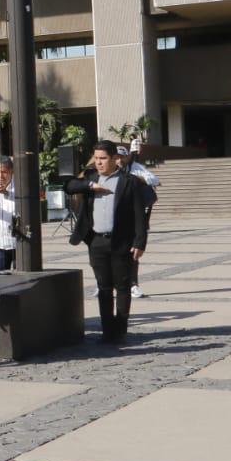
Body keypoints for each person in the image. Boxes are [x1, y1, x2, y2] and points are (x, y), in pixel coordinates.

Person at [65, 141, 151, 345]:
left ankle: (120, 330)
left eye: (103, 158)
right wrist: (89, 186)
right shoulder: (91, 178)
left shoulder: (129, 181)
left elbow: (140, 214)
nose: (99, 162)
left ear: (115, 159)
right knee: (103, 288)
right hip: (97, 241)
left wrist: (140, 242)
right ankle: (107, 331)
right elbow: (68, 186)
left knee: (122, 286)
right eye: (96, 158)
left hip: (121, 242)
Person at [116, 146, 160, 299]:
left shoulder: (135, 168)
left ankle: (133, 285)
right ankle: (104, 284)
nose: (119, 160)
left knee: (132, 253)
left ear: (128, 157)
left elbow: (155, 179)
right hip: (113, 218)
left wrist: (138, 178)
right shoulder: (108, 171)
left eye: (122, 156)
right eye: (116, 157)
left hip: (133, 217)